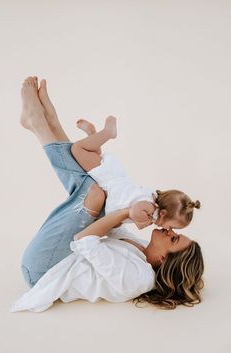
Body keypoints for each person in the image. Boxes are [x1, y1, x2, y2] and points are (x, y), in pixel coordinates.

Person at [11, 76, 204, 312]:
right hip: (61, 257)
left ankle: (41, 125)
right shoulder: (141, 248)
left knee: (95, 195)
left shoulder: (138, 278)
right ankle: (48, 124)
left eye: (173, 238)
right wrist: (129, 213)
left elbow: (84, 240)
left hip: (44, 270)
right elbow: (109, 225)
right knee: (100, 192)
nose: (170, 230)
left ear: (165, 259)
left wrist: (125, 211)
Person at [71, 117, 201, 230]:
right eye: (172, 227)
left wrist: (118, 222)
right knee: (77, 149)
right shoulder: (149, 209)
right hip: (108, 178)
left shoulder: (151, 207)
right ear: (163, 214)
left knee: (93, 154)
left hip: (113, 181)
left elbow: (123, 213)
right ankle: (107, 133)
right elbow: (133, 211)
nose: (169, 230)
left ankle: (92, 134)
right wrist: (139, 223)